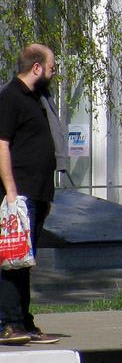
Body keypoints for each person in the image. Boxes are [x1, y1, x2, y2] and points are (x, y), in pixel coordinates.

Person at [0, 44, 63, 345]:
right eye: (51, 65)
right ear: (36, 67)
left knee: (25, 260)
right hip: (19, 195)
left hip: (38, 194)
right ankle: (9, 324)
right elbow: (2, 145)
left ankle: (24, 321)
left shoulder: (38, 99)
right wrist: (11, 191)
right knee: (12, 260)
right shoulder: (11, 98)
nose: (54, 70)